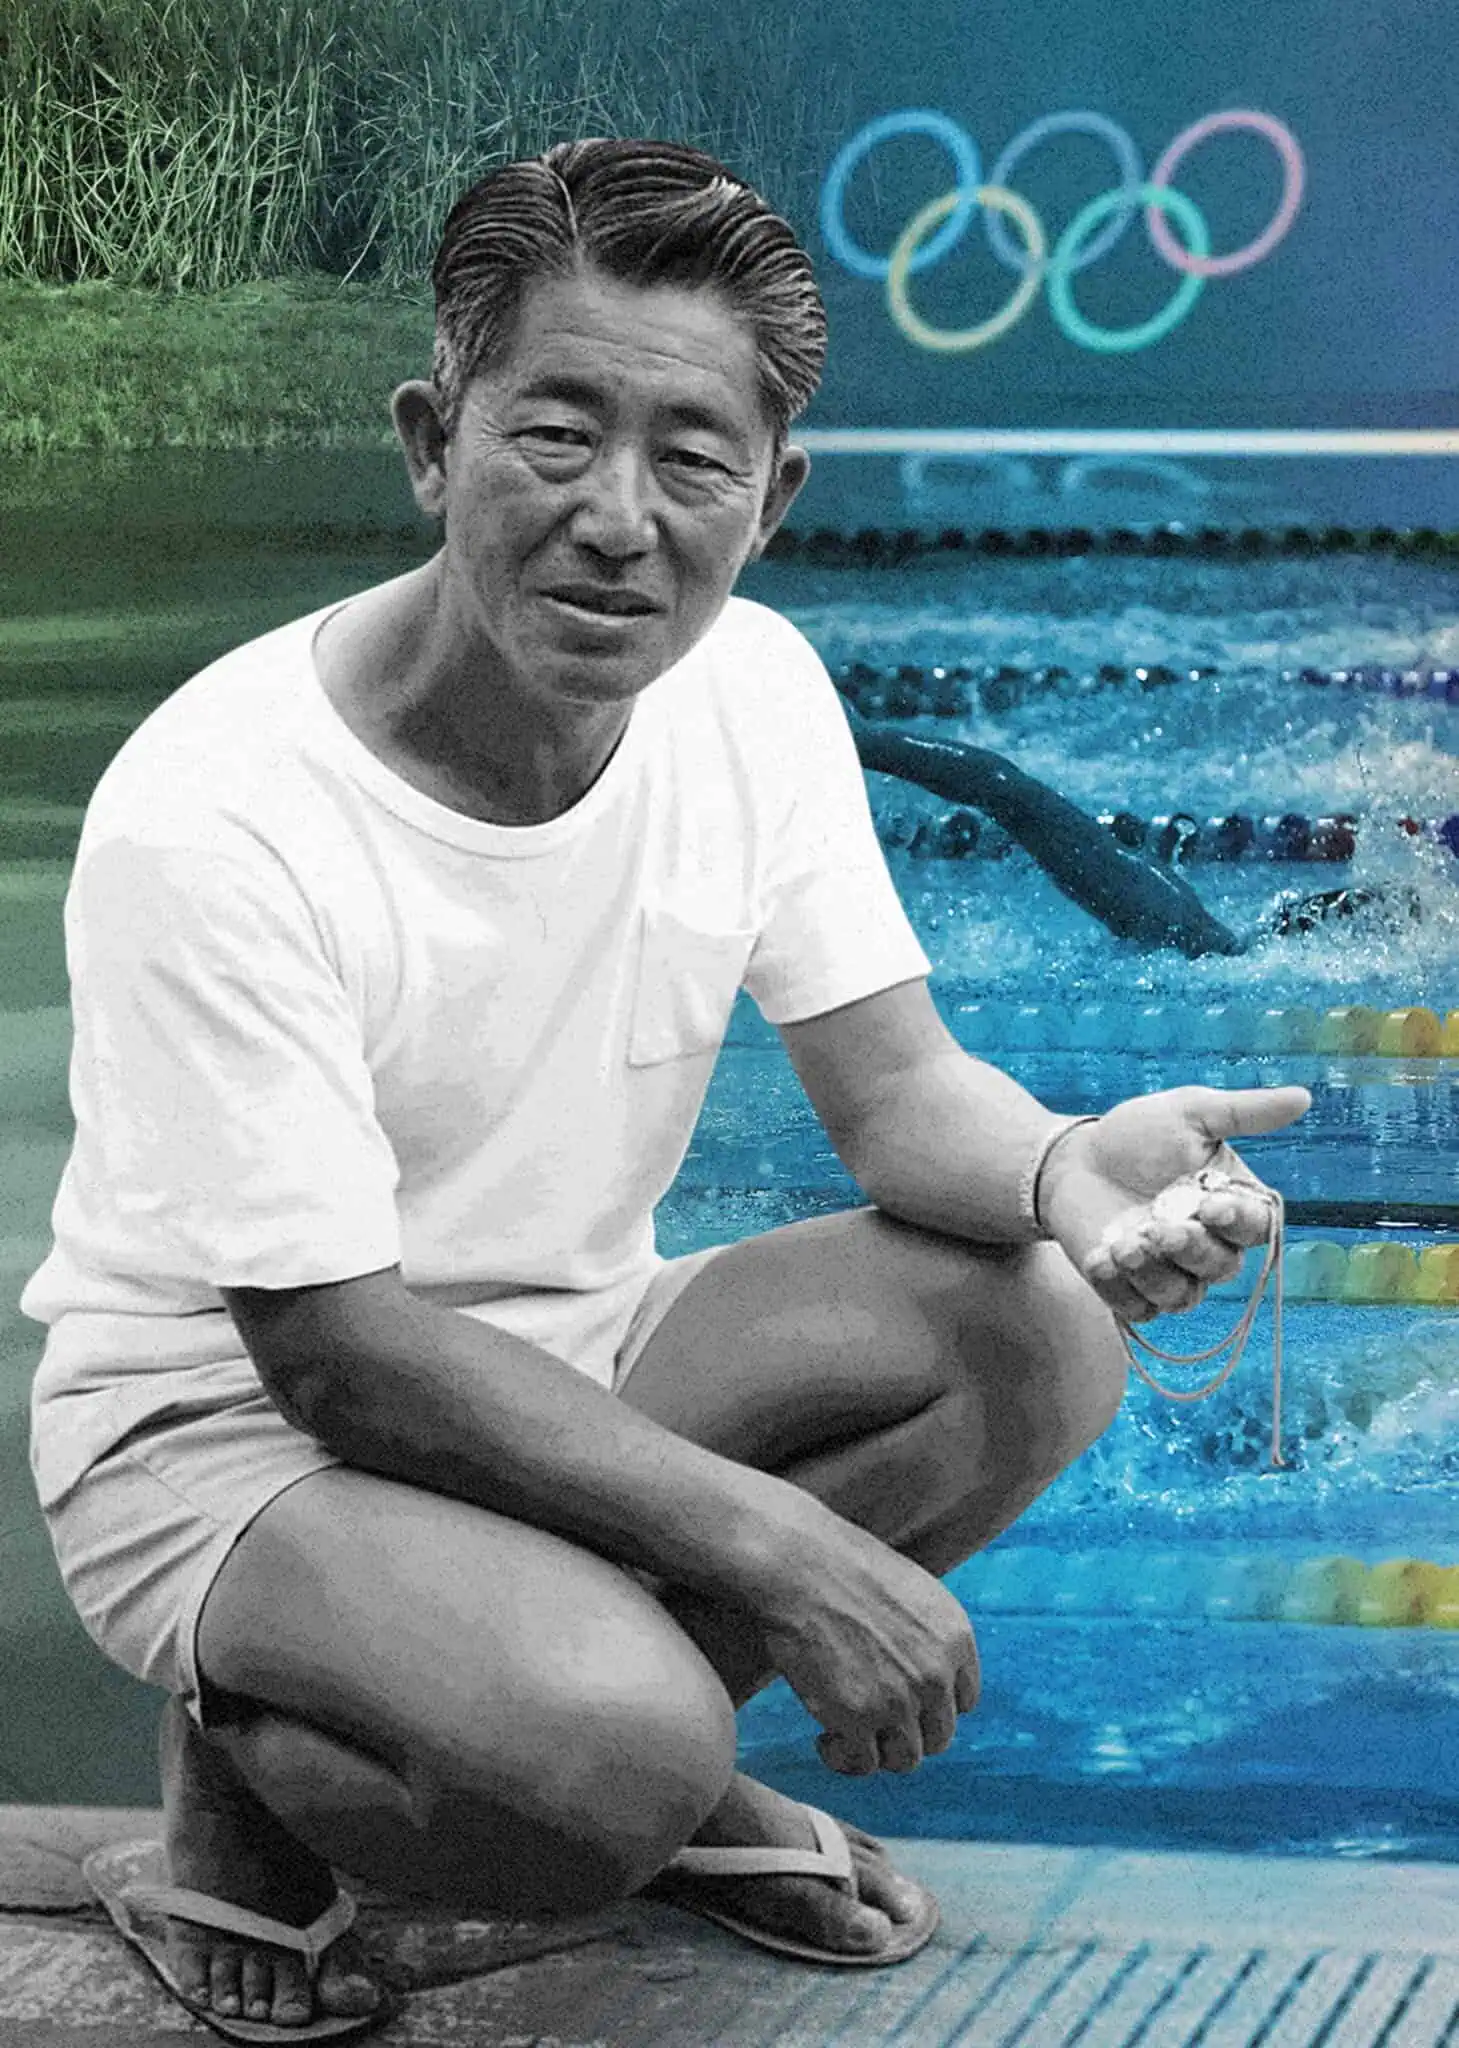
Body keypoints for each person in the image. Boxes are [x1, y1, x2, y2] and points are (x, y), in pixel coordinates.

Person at [23, 137, 1308, 2038]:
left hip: (579, 1349)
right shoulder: (218, 816)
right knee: (609, 1776)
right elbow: (337, 1355)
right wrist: (790, 1561)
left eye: (689, 457)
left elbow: (895, 1100)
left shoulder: (752, 694)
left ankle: (566, 1702)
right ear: (428, 440)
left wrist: (1069, 1166)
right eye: (555, 435)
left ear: (771, 494)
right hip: (230, 1435)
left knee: (1038, 1331)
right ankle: (247, 1800)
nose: (620, 518)